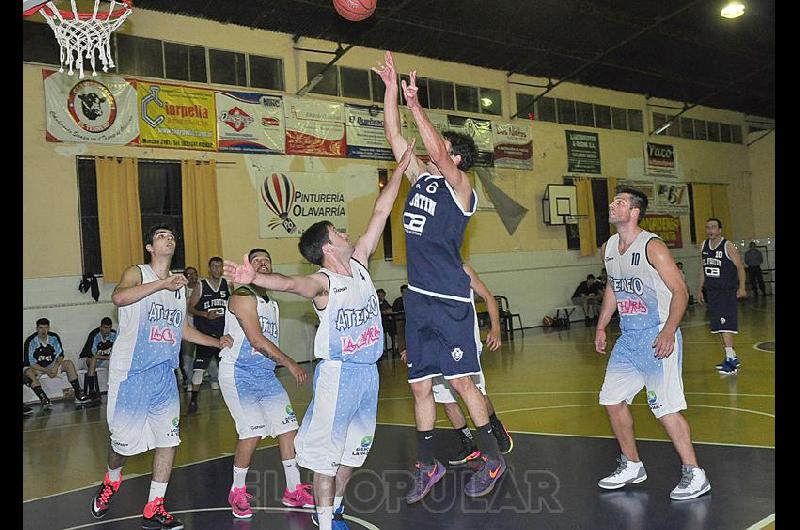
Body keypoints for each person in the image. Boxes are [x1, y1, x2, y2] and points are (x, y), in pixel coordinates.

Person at [224, 140, 415, 530]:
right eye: (338, 232)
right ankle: (325, 521)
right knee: (327, 456)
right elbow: (292, 284)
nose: (347, 234)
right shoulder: (322, 282)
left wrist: (399, 169)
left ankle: (335, 509)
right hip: (338, 374)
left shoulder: (360, 263)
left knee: (352, 455)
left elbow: (382, 210)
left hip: (368, 375)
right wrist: (255, 277)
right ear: (328, 247)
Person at [374, 50, 505, 503]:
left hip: (450, 299)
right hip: (419, 299)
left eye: (442, 149)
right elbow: (395, 138)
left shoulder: (462, 188)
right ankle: (427, 463)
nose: (433, 152)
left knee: (463, 382)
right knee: (419, 385)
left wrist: (416, 105)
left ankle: (492, 456)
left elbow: (431, 149)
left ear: (454, 158)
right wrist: (391, 92)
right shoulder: (421, 179)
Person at [89, 224, 232, 530]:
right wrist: (161, 285)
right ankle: (112, 479)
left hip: (164, 375)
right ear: (150, 248)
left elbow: (180, 329)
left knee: (169, 440)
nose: (169, 239)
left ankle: (155, 505)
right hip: (132, 373)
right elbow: (119, 299)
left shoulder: (179, 287)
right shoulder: (138, 272)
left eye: (172, 236)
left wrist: (215, 342)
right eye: (161, 236)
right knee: (122, 445)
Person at [595, 187, 710, 500]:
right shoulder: (608, 248)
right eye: (613, 200)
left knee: (665, 409)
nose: (612, 205)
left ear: (634, 212)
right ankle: (632, 464)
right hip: (629, 337)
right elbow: (613, 287)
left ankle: (695, 474)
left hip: (658, 334)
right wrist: (603, 325)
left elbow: (680, 291)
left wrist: (669, 331)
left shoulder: (652, 246)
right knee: (612, 400)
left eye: (619, 202)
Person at [220, 248, 313, 519]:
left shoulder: (272, 303)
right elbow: (256, 341)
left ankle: (293, 490)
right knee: (253, 431)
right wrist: (289, 362)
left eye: (267, 259)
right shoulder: (242, 296)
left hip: (264, 375)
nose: (263, 263)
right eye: (256, 260)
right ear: (247, 266)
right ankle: (236, 490)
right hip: (238, 374)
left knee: (288, 430)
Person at [403, 263, 513, 466]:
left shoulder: (462, 269)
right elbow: (423, 316)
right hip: (436, 345)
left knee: (473, 391)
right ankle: (468, 443)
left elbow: (488, 297)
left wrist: (495, 328)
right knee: (445, 398)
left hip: (464, 342)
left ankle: (495, 425)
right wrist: (415, 346)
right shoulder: (424, 273)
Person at [696, 218, 747, 375]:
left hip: (727, 292)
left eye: (713, 227)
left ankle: (731, 361)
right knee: (718, 327)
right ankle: (731, 357)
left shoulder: (728, 246)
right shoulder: (704, 246)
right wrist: (699, 289)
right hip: (712, 292)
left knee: (726, 326)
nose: (710, 230)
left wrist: (742, 287)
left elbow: (740, 268)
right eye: (708, 227)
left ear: (720, 230)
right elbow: (703, 269)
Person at [187, 257, 231, 413]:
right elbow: (190, 308)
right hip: (205, 335)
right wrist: (205, 314)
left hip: (222, 334)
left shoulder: (227, 285)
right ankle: (193, 400)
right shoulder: (201, 285)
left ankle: (235, 398)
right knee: (199, 369)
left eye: (220, 267)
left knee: (229, 367)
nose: (217, 269)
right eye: (214, 266)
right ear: (209, 268)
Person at [23, 318, 90, 407]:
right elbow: (30, 362)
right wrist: (47, 371)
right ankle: (44, 399)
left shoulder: (54, 337)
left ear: (49, 328)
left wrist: (55, 367)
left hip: (52, 364)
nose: (43, 331)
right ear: (36, 329)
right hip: (37, 367)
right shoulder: (30, 341)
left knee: (68, 363)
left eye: (46, 328)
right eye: (41, 328)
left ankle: (78, 394)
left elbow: (60, 355)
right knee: (28, 372)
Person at [79, 317, 117, 402]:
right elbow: (94, 355)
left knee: (116, 363)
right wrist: (108, 357)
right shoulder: (94, 335)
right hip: (87, 359)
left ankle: (115, 388)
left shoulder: (114, 335)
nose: (107, 330)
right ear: (101, 327)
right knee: (93, 361)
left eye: (109, 328)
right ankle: (92, 391)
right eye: (105, 328)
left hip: (104, 360)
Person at [179, 266, 199, 388]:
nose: (191, 276)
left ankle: (214, 379)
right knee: (187, 359)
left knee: (207, 357)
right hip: (187, 327)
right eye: (189, 274)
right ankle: (189, 380)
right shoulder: (182, 289)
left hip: (201, 326)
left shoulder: (202, 287)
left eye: (194, 273)